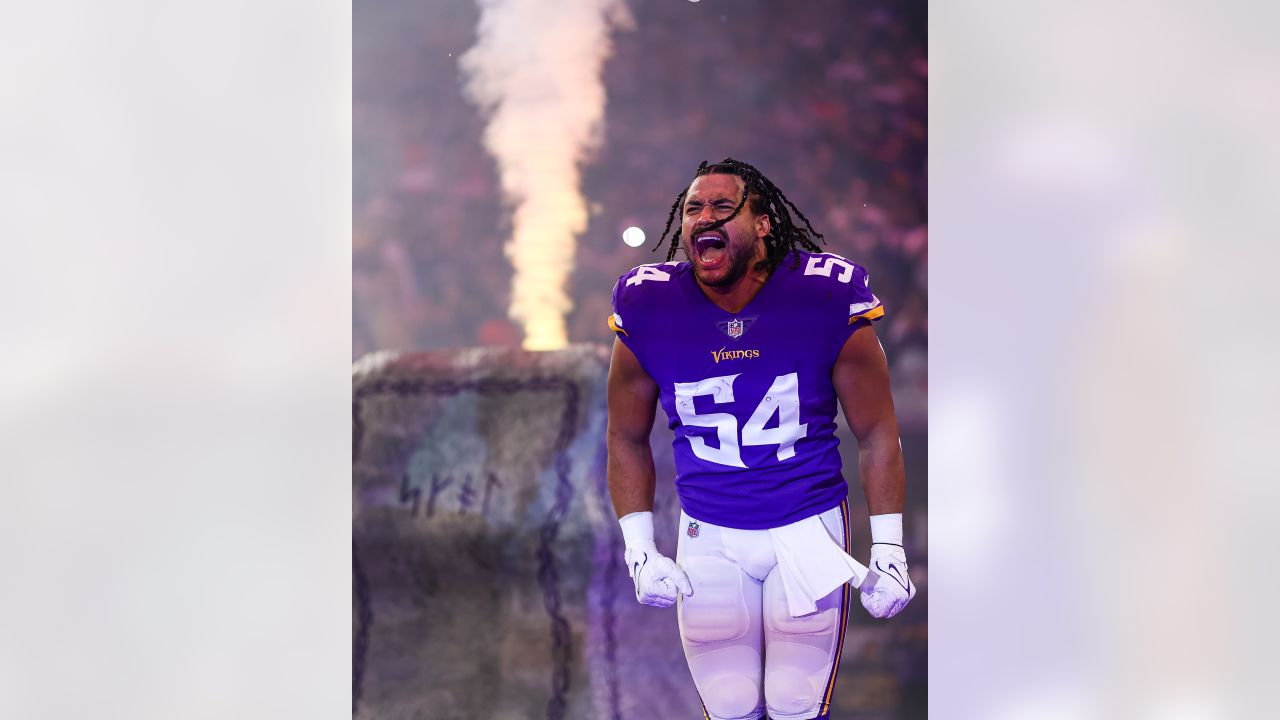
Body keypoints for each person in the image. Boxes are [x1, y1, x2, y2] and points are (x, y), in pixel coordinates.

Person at [606, 158, 915, 720]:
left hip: (807, 527)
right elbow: (625, 436)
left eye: (723, 206)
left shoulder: (824, 291)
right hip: (709, 532)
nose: (704, 217)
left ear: (764, 222)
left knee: (795, 708)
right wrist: (640, 549)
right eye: (694, 208)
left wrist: (889, 546)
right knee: (729, 711)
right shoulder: (647, 301)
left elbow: (876, 431)